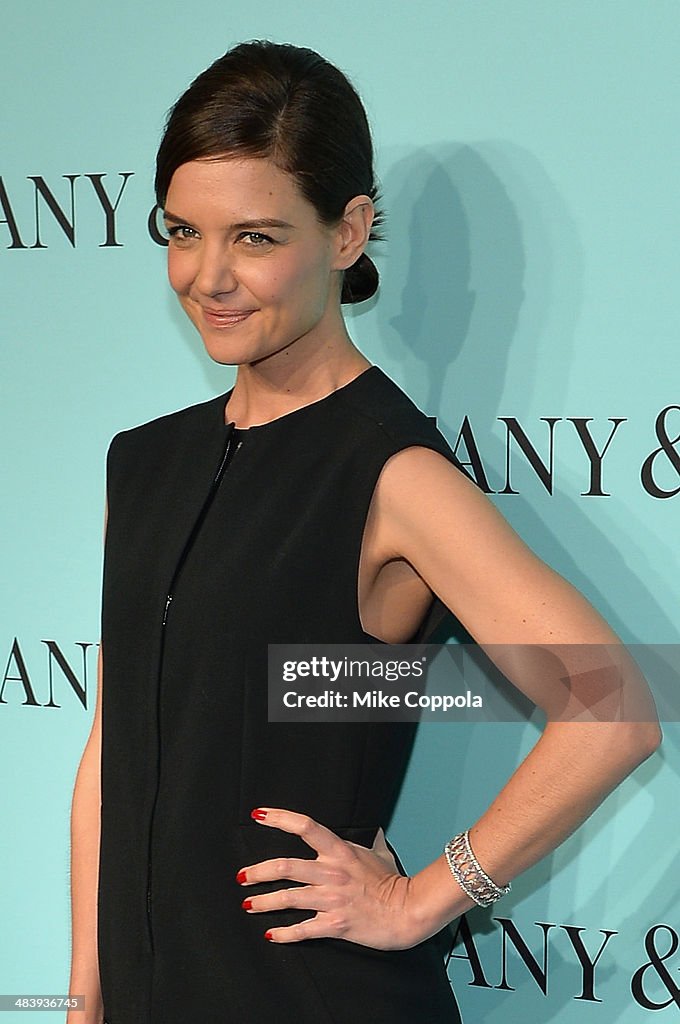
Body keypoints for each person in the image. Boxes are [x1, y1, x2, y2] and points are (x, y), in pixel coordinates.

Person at [67, 40, 661, 1024]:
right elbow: (111, 746)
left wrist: (422, 896)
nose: (207, 275)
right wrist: (88, 990)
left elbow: (613, 706)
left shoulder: (390, 473)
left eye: (255, 238)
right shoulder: (141, 463)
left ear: (347, 233)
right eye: (183, 231)